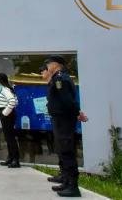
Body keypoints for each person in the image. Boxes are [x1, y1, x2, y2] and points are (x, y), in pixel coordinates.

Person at [45, 55, 88, 197]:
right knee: (63, 151)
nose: (47, 67)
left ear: (56, 64)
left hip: (64, 120)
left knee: (67, 152)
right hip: (60, 119)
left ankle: (73, 187)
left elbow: (67, 100)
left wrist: (77, 113)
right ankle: (67, 182)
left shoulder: (60, 79)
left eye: (49, 64)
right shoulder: (58, 78)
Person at [0, 72, 20, 168]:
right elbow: (16, 101)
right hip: (9, 114)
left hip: (6, 114)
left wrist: (4, 113)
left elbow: (13, 102)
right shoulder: (10, 89)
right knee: (9, 137)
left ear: (0, 81)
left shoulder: (5, 90)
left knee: (10, 138)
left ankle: (15, 160)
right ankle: (10, 158)